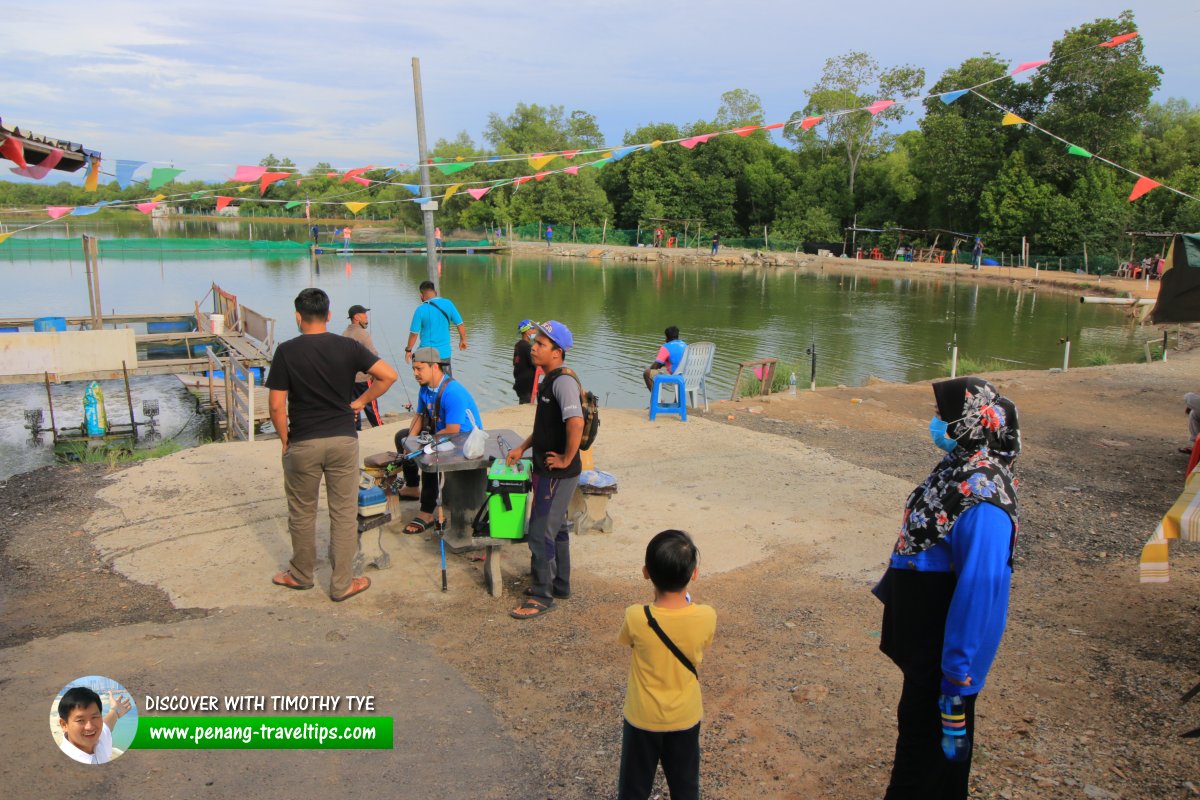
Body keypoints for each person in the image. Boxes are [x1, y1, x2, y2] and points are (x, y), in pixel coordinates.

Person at [874, 376, 1019, 799]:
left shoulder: (984, 501)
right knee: (922, 742)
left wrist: (957, 674)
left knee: (935, 756)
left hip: (948, 667)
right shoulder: (958, 470)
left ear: (969, 422)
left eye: (942, 416)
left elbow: (978, 591)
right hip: (927, 655)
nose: (935, 423)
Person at [267, 288, 398, 602]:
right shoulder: (348, 346)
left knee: (301, 512)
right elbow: (388, 375)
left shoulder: (286, 351)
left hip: (303, 442)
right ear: (328, 315)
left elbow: (275, 406)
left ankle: (300, 575)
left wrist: (286, 439)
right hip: (342, 440)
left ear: (298, 317)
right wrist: (360, 402)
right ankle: (341, 584)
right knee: (342, 513)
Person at [616, 530, 716, 800]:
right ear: (693, 574)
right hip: (685, 716)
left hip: (642, 717)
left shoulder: (636, 616)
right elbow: (701, 645)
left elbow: (628, 641)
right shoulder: (706, 616)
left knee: (634, 788)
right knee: (685, 787)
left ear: (646, 572)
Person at [506, 320, 584, 619]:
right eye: (534, 342)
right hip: (548, 467)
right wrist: (523, 447)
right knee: (557, 529)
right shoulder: (549, 378)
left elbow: (575, 422)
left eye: (540, 344)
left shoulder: (562, 381)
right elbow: (546, 426)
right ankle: (559, 584)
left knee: (540, 533)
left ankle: (542, 595)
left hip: (556, 472)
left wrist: (565, 458)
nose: (533, 347)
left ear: (557, 351)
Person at [392, 348, 483, 534]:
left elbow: (453, 429)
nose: (415, 373)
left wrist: (424, 444)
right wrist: (409, 443)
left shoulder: (453, 392)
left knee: (429, 455)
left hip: (464, 440)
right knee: (402, 437)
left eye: (419, 368)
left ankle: (426, 511)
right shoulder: (425, 389)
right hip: (443, 433)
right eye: (414, 369)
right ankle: (411, 487)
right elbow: (419, 416)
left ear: (434, 367)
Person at [405, 280, 467, 376]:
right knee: (445, 384)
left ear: (421, 295)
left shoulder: (420, 309)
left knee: (425, 383)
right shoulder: (448, 304)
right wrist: (463, 340)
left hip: (425, 354)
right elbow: (460, 324)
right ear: (436, 292)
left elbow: (414, 333)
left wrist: (408, 350)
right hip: (444, 354)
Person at [57, 686, 131, 765]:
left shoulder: (99, 739)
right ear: (64, 725)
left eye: (94, 717)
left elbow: (107, 725)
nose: (90, 727)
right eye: (80, 720)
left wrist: (115, 711)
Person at [342, 304, 382, 429]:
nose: (366, 317)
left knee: (354, 407)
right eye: (364, 314)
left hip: (349, 379)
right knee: (372, 407)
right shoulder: (362, 334)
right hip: (364, 378)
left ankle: (356, 430)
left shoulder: (345, 333)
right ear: (357, 317)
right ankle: (380, 428)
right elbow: (373, 354)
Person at [643, 326, 688, 391]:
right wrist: (665, 363)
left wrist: (649, 368)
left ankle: (658, 400)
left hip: (675, 376)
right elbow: (677, 361)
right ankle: (677, 401)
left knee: (646, 373)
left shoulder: (666, 347)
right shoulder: (685, 345)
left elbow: (656, 366)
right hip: (687, 376)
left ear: (666, 337)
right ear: (678, 336)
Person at [512, 319, 537, 404]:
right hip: (527, 385)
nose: (535, 331)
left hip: (519, 382)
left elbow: (515, 363)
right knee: (527, 403)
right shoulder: (527, 347)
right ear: (526, 331)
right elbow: (535, 363)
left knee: (523, 402)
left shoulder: (518, 345)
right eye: (533, 328)